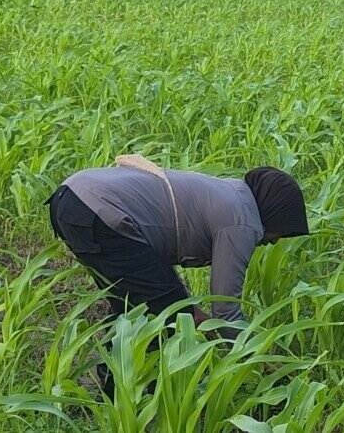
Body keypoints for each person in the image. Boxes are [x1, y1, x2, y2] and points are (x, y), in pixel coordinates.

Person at [46, 159, 309, 393]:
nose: (275, 242)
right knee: (162, 315)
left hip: (72, 199)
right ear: (274, 215)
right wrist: (256, 361)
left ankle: (116, 384)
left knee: (131, 302)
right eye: (281, 234)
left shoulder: (230, 194)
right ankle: (130, 393)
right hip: (100, 212)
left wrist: (191, 308)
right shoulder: (242, 223)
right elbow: (226, 308)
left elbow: (153, 265)